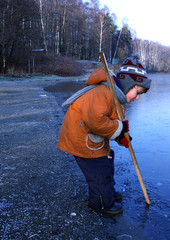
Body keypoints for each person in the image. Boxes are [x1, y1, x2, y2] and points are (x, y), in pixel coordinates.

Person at [57, 54, 151, 214]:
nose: (137, 98)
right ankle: (101, 202)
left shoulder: (118, 97)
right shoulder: (103, 93)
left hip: (93, 139)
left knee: (107, 160)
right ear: (129, 85)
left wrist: (122, 137)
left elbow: (113, 122)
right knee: (99, 171)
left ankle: (107, 191)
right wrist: (119, 128)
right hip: (81, 139)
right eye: (138, 92)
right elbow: (96, 121)